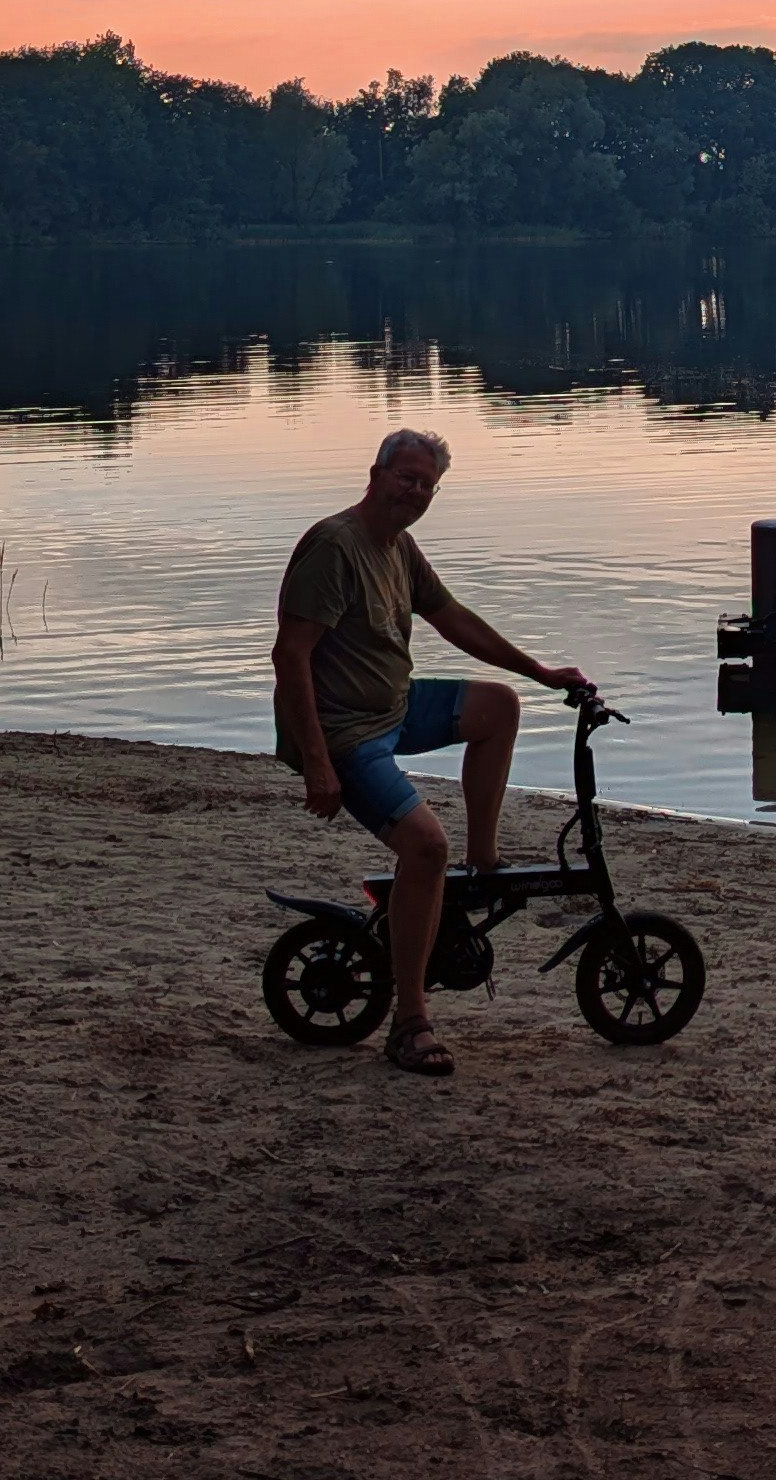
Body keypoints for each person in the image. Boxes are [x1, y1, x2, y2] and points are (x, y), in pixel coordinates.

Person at [271, 426, 590, 1076]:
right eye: (406, 478)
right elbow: (291, 656)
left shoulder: (400, 547)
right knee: (423, 847)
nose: (414, 492)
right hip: (345, 733)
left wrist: (542, 673)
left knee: (497, 708)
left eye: (427, 486)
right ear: (376, 473)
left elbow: (454, 618)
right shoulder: (336, 547)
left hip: (394, 705)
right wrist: (317, 761)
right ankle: (410, 1021)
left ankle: (482, 860)